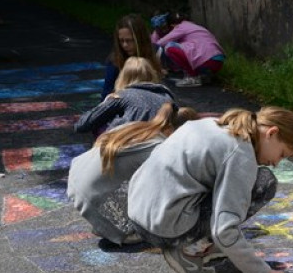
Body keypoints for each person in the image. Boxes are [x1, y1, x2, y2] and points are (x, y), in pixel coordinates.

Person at [127, 106, 293, 273]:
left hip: (137, 215)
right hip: (164, 227)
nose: (276, 163)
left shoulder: (209, 124)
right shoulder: (240, 152)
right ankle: (189, 251)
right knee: (264, 182)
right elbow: (224, 230)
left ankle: (202, 243)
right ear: (271, 133)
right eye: (282, 154)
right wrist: (265, 272)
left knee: (223, 187)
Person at [67, 102, 199, 246]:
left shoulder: (137, 127)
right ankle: (114, 227)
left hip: (77, 180)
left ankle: (102, 223)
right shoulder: (160, 148)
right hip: (92, 195)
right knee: (162, 226)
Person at [76, 57, 175, 138]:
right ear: (151, 75)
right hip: (162, 144)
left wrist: (106, 102)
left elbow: (81, 125)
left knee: (100, 121)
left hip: (131, 146)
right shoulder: (167, 96)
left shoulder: (122, 96)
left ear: (123, 76)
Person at [150, 11, 226, 87]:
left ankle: (192, 76)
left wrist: (156, 33)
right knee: (184, 48)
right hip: (218, 60)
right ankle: (204, 76)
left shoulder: (180, 28)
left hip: (206, 61)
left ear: (172, 25)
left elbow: (160, 43)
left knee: (169, 47)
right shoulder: (194, 26)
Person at [101, 14, 163, 98]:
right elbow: (106, 94)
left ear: (140, 39)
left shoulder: (156, 52)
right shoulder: (115, 61)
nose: (125, 45)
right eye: (121, 41)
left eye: (129, 40)